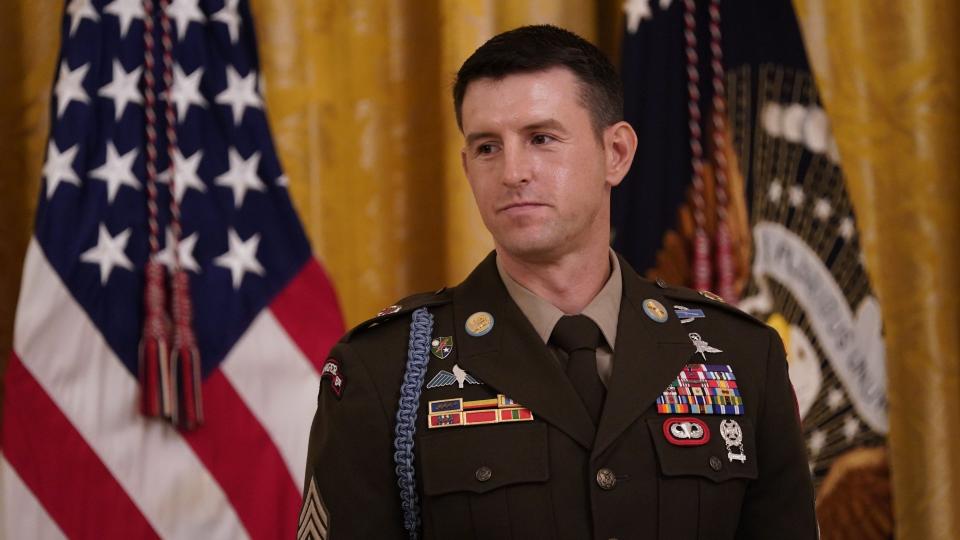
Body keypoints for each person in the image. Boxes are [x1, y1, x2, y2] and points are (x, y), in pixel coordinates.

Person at [298, 24, 817, 540]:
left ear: (616, 153)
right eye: (486, 148)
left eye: (541, 138)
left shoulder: (743, 358)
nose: (512, 172)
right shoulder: (384, 373)